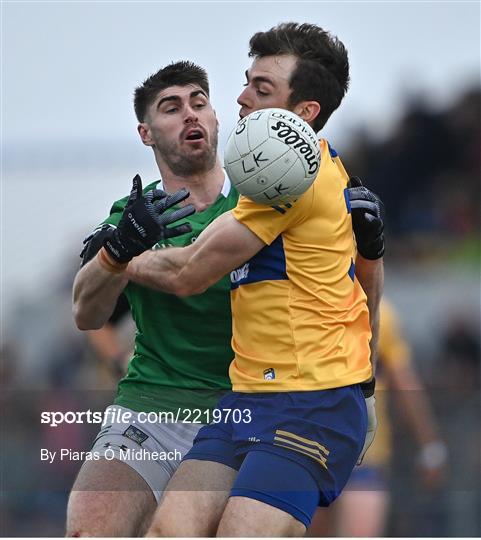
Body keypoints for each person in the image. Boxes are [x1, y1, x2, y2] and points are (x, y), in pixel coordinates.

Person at [69, 54, 383, 537]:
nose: (190, 113)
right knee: (89, 530)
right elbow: (87, 314)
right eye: (171, 108)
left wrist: (371, 254)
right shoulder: (134, 217)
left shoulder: (265, 199)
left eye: (199, 102)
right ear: (146, 133)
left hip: (248, 406)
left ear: (217, 119)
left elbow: (351, 298)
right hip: (155, 409)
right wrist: (115, 249)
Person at [308, 299, 447, 537]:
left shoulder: (379, 311)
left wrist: (429, 443)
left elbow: (402, 381)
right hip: (316, 449)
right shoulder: (313, 305)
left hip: (359, 453)